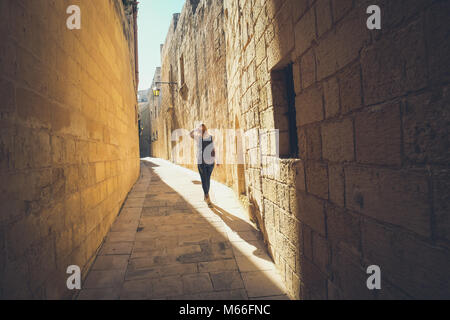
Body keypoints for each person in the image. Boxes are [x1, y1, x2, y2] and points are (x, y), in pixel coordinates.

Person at [190, 123, 219, 206]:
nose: (202, 130)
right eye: (200, 129)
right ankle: (207, 197)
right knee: (204, 179)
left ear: (205, 129)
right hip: (201, 162)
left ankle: (206, 195)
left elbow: (213, 148)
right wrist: (195, 129)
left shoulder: (210, 137)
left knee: (207, 179)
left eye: (203, 129)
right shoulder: (198, 138)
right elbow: (190, 134)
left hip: (210, 162)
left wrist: (217, 160)